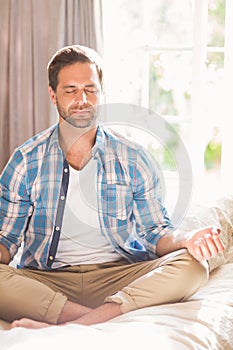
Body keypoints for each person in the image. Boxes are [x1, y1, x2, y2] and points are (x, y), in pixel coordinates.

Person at [0, 45, 225, 330]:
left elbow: (155, 234)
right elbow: (6, 243)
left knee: (193, 266)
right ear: (52, 94)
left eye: (90, 89)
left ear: (101, 92)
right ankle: (95, 319)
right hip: (48, 279)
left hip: (117, 274)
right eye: (70, 90)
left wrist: (187, 239)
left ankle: (72, 323)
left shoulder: (134, 157)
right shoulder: (25, 160)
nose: (82, 99)